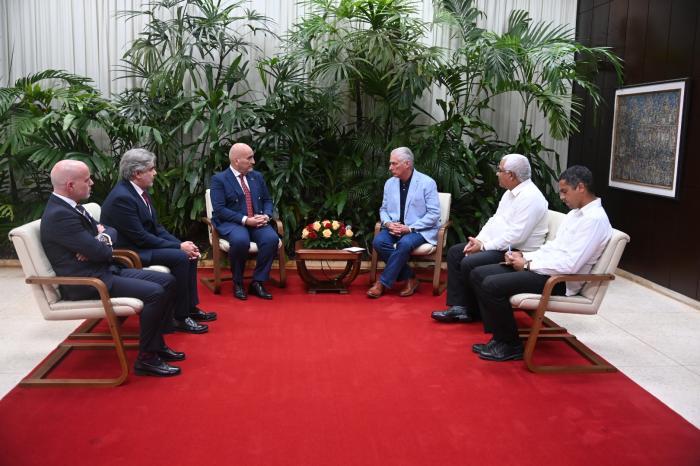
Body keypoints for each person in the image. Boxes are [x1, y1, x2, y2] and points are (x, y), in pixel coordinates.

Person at [41, 160, 183, 377]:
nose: (92, 183)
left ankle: (156, 344)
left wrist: (100, 238)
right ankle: (147, 359)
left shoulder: (72, 206)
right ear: (70, 185)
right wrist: (98, 244)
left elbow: (110, 231)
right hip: (87, 283)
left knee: (167, 281)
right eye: (87, 180)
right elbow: (101, 253)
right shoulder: (60, 215)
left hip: (102, 271)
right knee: (155, 293)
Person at [470, 165, 612, 362]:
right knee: (479, 273)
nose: (562, 197)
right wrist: (525, 256)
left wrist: (527, 265)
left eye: (565, 191)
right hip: (548, 270)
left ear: (580, 187)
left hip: (561, 281)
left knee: (492, 285)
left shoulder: (594, 220)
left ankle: (511, 345)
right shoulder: (575, 214)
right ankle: (499, 338)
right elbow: (553, 248)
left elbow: (570, 265)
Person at [101, 148, 215, 334]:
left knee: (189, 254)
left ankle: (189, 308)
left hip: (142, 246)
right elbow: (141, 237)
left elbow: (156, 228)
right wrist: (178, 247)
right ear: (137, 173)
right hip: (130, 253)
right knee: (180, 257)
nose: (155, 173)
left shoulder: (138, 191)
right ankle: (179, 317)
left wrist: (183, 244)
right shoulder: (122, 198)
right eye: (151, 169)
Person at [432, 153, 548, 323]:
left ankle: (473, 309)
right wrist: (478, 241)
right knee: (456, 252)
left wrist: (484, 247)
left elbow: (516, 236)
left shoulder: (531, 197)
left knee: (469, 261)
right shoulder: (510, 193)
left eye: (500, 170)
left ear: (511, 175)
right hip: (503, 246)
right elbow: (495, 220)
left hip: (517, 252)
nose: (496, 173)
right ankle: (459, 307)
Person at [367, 147, 441, 298]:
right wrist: (388, 224)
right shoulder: (389, 183)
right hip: (394, 228)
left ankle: (382, 283)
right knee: (378, 241)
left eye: (394, 163)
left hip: (419, 229)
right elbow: (384, 209)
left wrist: (410, 228)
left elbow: (434, 214)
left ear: (407, 164)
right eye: (390, 163)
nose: (390, 167)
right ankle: (410, 277)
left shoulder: (427, 183)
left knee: (404, 243)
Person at [210, 143, 279, 300]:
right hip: (233, 222)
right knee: (240, 241)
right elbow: (220, 209)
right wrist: (245, 220)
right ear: (237, 161)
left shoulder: (257, 177)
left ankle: (258, 282)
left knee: (271, 239)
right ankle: (238, 283)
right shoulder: (219, 179)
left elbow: (267, 200)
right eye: (249, 158)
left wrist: (266, 215)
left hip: (257, 220)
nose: (253, 161)